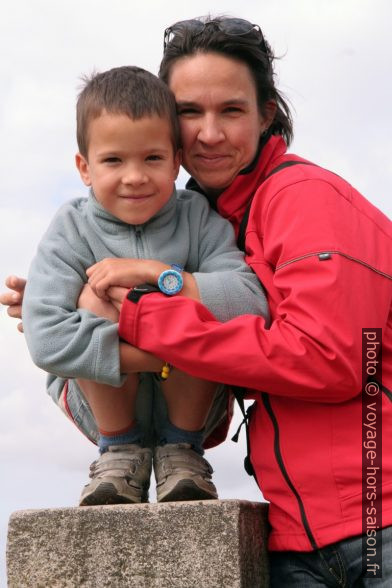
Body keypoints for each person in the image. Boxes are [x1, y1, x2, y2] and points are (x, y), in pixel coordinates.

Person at [2, 15, 391, 586]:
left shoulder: (302, 198)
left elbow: (334, 359)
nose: (209, 132)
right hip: (302, 532)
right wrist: (68, 304)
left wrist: (148, 299)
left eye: (231, 110)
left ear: (266, 115)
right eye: (190, 112)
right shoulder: (228, 212)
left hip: (372, 523)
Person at [19, 65, 269, 507]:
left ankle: (183, 450)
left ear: (176, 160)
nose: (135, 177)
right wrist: (163, 358)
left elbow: (251, 304)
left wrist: (158, 274)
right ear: (85, 167)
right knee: (93, 296)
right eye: (114, 160)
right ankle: (118, 452)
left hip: (197, 406)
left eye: (152, 159)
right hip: (101, 409)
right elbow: (46, 339)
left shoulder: (197, 218)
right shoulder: (71, 228)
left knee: (175, 299)